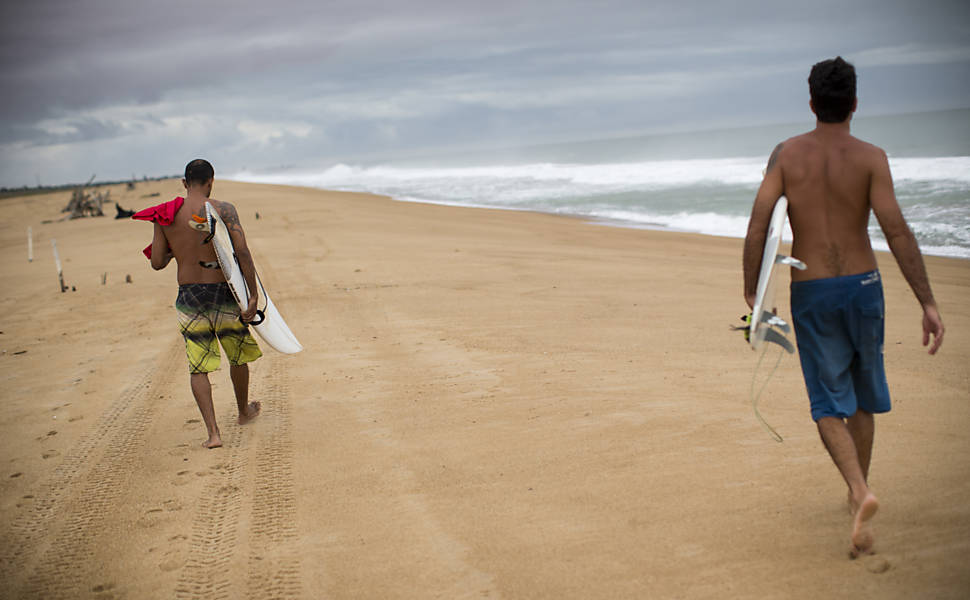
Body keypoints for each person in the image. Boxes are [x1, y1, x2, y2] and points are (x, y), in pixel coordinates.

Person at [742, 57, 945, 558]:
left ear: (811, 103)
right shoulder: (873, 157)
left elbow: (759, 224)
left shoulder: (786, 156)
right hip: (864, 286)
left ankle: (858, 489)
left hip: (813, 291)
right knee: (861, 393)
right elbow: (896, 230)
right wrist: (928, 301)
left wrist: (752, 291)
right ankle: (859, 488)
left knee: (827, 402)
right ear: (855, 103)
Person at [147, 159, 262, 448]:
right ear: (211, 181)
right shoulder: (223, 210)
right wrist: (252, 295)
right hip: (222, 291)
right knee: (237, 354)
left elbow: (157, 263)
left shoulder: (164, 216)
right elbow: (242, 253)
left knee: (198, 365)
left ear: (184, 184)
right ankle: (243, 411)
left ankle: (213, 434)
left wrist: (179, 248)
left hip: (189, 296)